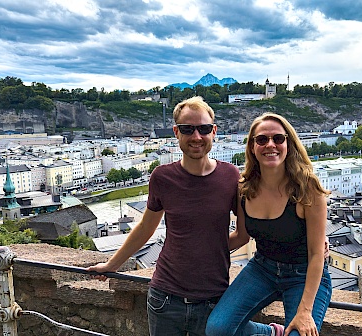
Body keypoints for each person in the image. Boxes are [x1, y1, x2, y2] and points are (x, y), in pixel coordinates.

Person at [87, 96, 241, 336]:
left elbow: (246, 232)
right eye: (188, 129)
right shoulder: (162, 177)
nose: (197, 137)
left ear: (214, 132)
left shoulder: (231, 176)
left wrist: (211, 247)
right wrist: (112, 265)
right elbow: (145, 229)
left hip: (213, 297)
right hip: (165, 297)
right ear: (176, 132)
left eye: (203, 129)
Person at [206, 112, 332, 336]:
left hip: (303, 273)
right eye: (262, 139)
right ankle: (271, 332)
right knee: (217, 329)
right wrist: (196, 252)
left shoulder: (307, 188)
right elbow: (242, 236)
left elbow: (316, 255)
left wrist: (305, 311)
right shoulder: (244, 188)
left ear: (288, 143)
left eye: (278, 139)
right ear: (252, 147)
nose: (270, 145)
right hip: (263, 268)